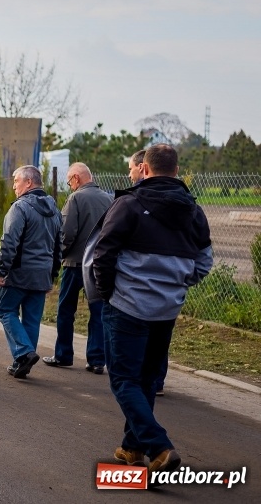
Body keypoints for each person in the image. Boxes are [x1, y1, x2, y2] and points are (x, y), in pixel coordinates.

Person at [89, 144, 212, 473]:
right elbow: (204, 263)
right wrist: (176, 286)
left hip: (127, 306)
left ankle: (159, 446)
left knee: (123, 380)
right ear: (177, 170)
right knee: (145, 380)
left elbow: (103, 254)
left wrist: (108, 292)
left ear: (145, 168)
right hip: (167, 310)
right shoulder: (194, 211)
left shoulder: (129, 204)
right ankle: (133, 448)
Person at [42, 162, 112, 373]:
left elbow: (67, 233)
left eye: (69, 181)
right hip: (99, 264)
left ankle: (63, 355)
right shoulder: (110, 198)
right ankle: (97, 359)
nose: (69, 186)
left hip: (75, 264)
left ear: (76, 178)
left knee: (66, 310)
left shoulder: (76, 198)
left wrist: (59, 254)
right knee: (98, 312)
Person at [0, 165, 62, 379]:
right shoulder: (54, 209)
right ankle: (22, 362)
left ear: (29, 182)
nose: (14, 186)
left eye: (16, 181)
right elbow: (59, 245)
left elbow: (9, 242)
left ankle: (23, 352)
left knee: (6, 310)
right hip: (41, 274)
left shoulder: (20, 208)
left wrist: (1, 270)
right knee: (32, 320)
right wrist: (52, 274)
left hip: (19, 273)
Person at [127, 148, 169, 394]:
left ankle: (139, 381)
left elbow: (107, 249)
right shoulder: (185, 202)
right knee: (159, 338)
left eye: (132, 168)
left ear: (143, 168)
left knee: (137, 339)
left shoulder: (132, 202)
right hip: (167, 289)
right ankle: (155, 381)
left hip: (137, 289)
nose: (130, 173)